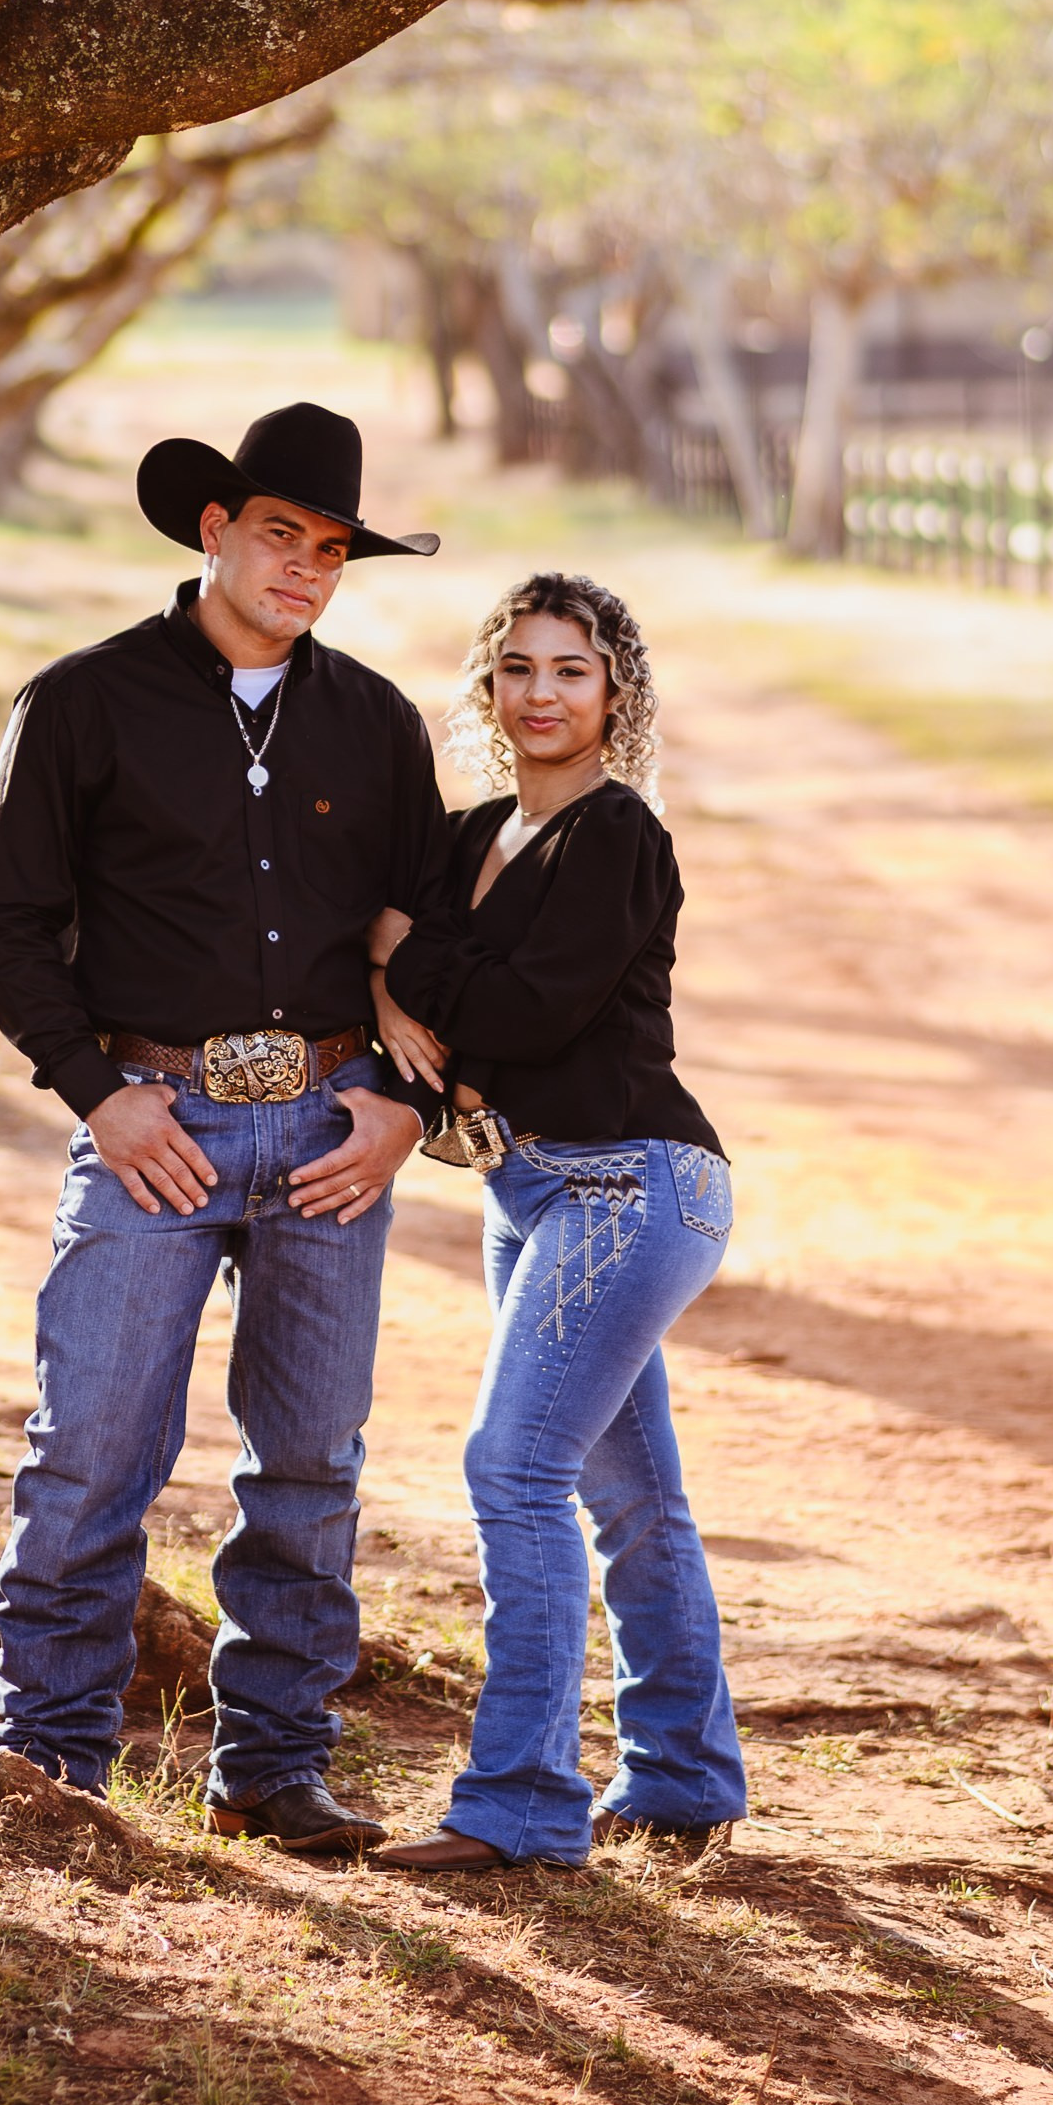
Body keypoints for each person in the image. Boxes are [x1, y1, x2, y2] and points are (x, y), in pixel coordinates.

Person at [0, 402, 445, 1856]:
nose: (305, 568)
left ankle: (274, 1769)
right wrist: (98, 1094)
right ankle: (45, 1762)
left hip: (329, 1132)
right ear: (215, 531)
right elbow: (4, 925)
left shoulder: (374, 721)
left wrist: (404, 1109)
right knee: (94, 1442)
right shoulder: (84, 702)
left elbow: (429, 945)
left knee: (308, 1459)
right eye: (281, 535)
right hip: (150, 1116)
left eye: (333, 549)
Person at [361, 572, 743, 1874]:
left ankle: (520, 1803)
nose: (541, 693)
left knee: (511, 1467)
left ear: (614, 693)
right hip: (530, 1187)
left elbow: (522, 1018)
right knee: (630, 1493)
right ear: (489, 688)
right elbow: (426, 970)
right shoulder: (473, 837)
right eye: (518, 668)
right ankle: (684, 1779)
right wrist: (404, 968)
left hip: (637, 1184)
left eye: (570, 670)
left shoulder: (620, 836)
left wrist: (405, 964)